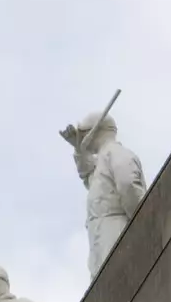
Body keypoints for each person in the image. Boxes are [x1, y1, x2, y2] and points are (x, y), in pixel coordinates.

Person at [62, 107, 146, 272]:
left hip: (116, 228)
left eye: (84, 134)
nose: (83, 138)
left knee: (119, 274)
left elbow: (128, 185)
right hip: (100, 234)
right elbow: (89, 177)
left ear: (95, 132)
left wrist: (139, 222)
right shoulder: (101, 161)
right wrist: (79, 149)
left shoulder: (116, 153)